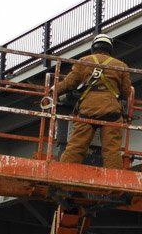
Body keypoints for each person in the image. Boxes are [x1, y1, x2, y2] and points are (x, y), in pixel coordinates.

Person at [54, 34, 133, 169]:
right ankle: (113, 185)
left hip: (87, 111)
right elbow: (126, 92)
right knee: (112, 150)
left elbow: (69, 83)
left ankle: (63, 175)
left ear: (94, 47)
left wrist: (53, 92)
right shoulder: (120, 66)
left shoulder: (84, 61)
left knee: (76, 146)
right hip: (111, 112)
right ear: (110, 48)